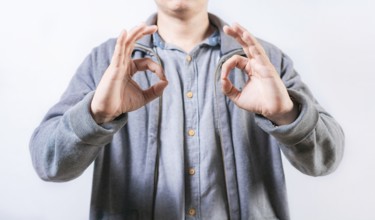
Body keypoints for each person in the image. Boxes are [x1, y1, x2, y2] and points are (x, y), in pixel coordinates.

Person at [29, 0, 344, 219]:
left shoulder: (264, 60)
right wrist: (95, 115)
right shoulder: (106, 63)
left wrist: (286, 114)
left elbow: (325, 160)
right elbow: (49, 163)